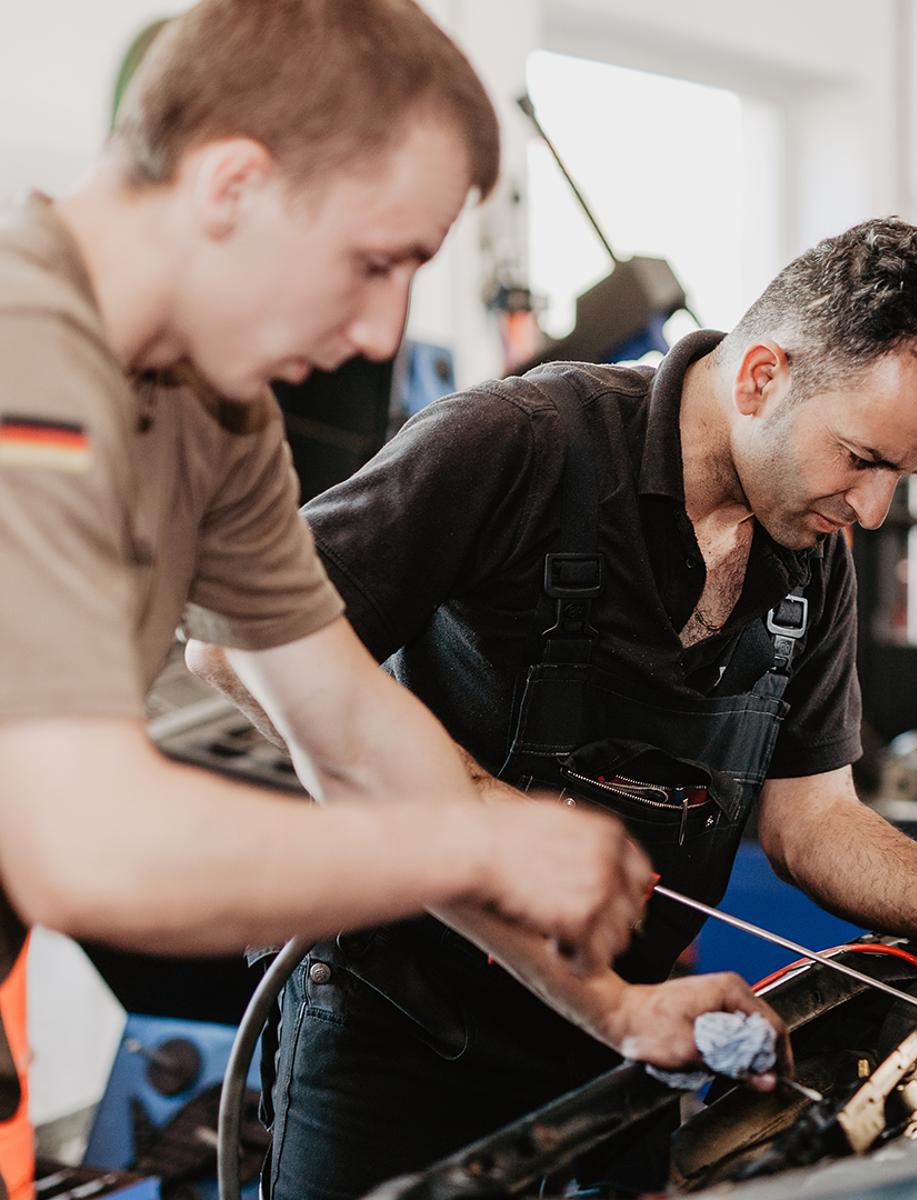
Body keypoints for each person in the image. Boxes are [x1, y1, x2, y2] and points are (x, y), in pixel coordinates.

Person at [195, 217, 917, 1200]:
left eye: (902, 475)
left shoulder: (808, 559)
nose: (874, 509)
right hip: (401, 1026)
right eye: (861, 458)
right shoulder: (519, 445)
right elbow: (235, 628)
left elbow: (815, 825)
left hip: (625, 1034)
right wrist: (476, 801)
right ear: (760, 374)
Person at [0, 3, 668, 1195]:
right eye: (376, 262)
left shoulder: (219, 413)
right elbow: (85, 846)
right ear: (233, 184)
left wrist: (614, 1009)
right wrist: (467, 842)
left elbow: (352, 728)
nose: (376, 329)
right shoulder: (24, 359)